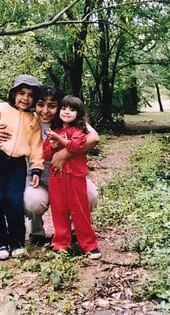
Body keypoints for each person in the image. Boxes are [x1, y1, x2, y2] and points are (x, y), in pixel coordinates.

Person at [0, 86, 99, 245]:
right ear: (34, 105)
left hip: (68, 177)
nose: (45, 110)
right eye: (40, 104)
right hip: (38, 178)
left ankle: (73, 230)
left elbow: (94, 138)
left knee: (90, 195)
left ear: (59, 106)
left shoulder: (68, 120)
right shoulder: (27, 119)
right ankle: (37, 232)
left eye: (52, 106)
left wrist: (63, 154)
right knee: (32, 202)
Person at [0, 74, 44, 261]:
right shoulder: (1, 109)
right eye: (21, 93)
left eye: (30, 95)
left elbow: (37, 147)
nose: (25, 98)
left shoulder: (33, 120)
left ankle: (17, 241)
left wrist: (36, 168)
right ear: (13, 94)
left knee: (14, 202)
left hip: (18, 164)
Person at [43, 95, 101, 260]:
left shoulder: (79, 132)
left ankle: (89, 245)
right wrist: (52, 146)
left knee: (80, 211)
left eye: (72, 109)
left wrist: (59, 140)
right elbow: (46, 154)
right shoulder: (54, 131)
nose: (67, 112)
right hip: (56, 177)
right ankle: (61, 243)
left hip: (75, 176)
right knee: (59, 210)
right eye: (64, 108)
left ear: (79, 114)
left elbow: (76, 146)